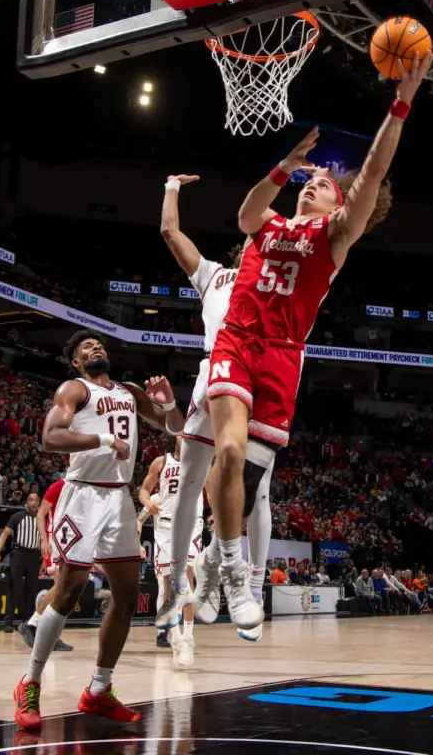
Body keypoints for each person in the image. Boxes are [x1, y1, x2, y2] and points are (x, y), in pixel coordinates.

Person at [200, 54, 428, 629]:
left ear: (338, 205)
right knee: (229, 452)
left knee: (246, 481)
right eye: (311, 182)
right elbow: (246, 212)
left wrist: (400, 104)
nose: (313, 187)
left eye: (324, 185)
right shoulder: (270, 224)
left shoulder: (335, 236)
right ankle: (232, 570)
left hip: (282, 355)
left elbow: (372, 173)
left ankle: (211, 558)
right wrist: (286, 166)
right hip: (237, 340)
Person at [13, 329, 184, 729]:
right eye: (87, 347)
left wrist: (170, 402)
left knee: (127, 597)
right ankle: (29, 682)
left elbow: (175, 429)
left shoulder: (129, 391)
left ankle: (99, 688)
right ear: (76, 361)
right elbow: (51, 437)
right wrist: (105, 439)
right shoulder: (74, 389)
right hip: (82, 495)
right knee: (70, 590)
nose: (96, 349)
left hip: (118, 498)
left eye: (99, 345)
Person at [155, 175, 275, 643]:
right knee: (188, 484)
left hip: (258, 371)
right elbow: (170, 232)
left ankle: (253, 586)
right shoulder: (214, 275)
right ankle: (176, 587)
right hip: (215, 368)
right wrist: (171, 187)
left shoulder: (273, 280)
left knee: (256, 490)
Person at [139, 439, 198, 666]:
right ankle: (176, 638)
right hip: (164, 527)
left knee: (187, 579)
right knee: (167, 585)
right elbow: (144, 490)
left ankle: (189, 637)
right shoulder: (161, 462)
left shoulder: (199, 460)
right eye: (182, 434)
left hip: (190, 525)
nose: (186, 438)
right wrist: (147, 503)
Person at [17, 479, 73, 653]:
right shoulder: (59, 485)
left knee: (64, 593)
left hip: (67, 543)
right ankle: (32, 624)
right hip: (53, 542)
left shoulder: (82, 489)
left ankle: (49, 633)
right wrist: (43, 540)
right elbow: (41, 514)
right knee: (61, 587)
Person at [0, 494, 43, 632]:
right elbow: (4, 534)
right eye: (31, 500)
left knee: (32, 589)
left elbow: (45, 539)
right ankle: (8, 621)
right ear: (26, 502)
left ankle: (28, 621)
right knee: (14, 587)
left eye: (36, 501)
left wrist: (45, 561)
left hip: (34, 555)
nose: (34, 503)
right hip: (18, 554)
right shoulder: (17, 516)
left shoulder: (41, 519)